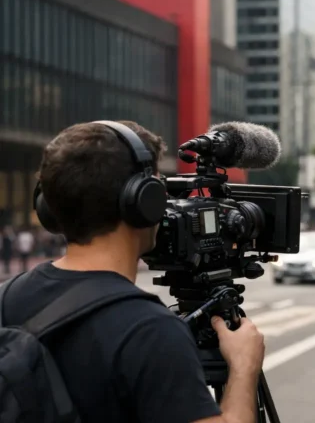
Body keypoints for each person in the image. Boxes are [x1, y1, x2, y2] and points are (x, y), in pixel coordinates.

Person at [0, 121, 265, 423]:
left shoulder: (7, 297)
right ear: (143, 200)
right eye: (159, 186)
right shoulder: (150, 332)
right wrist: (244, 367)